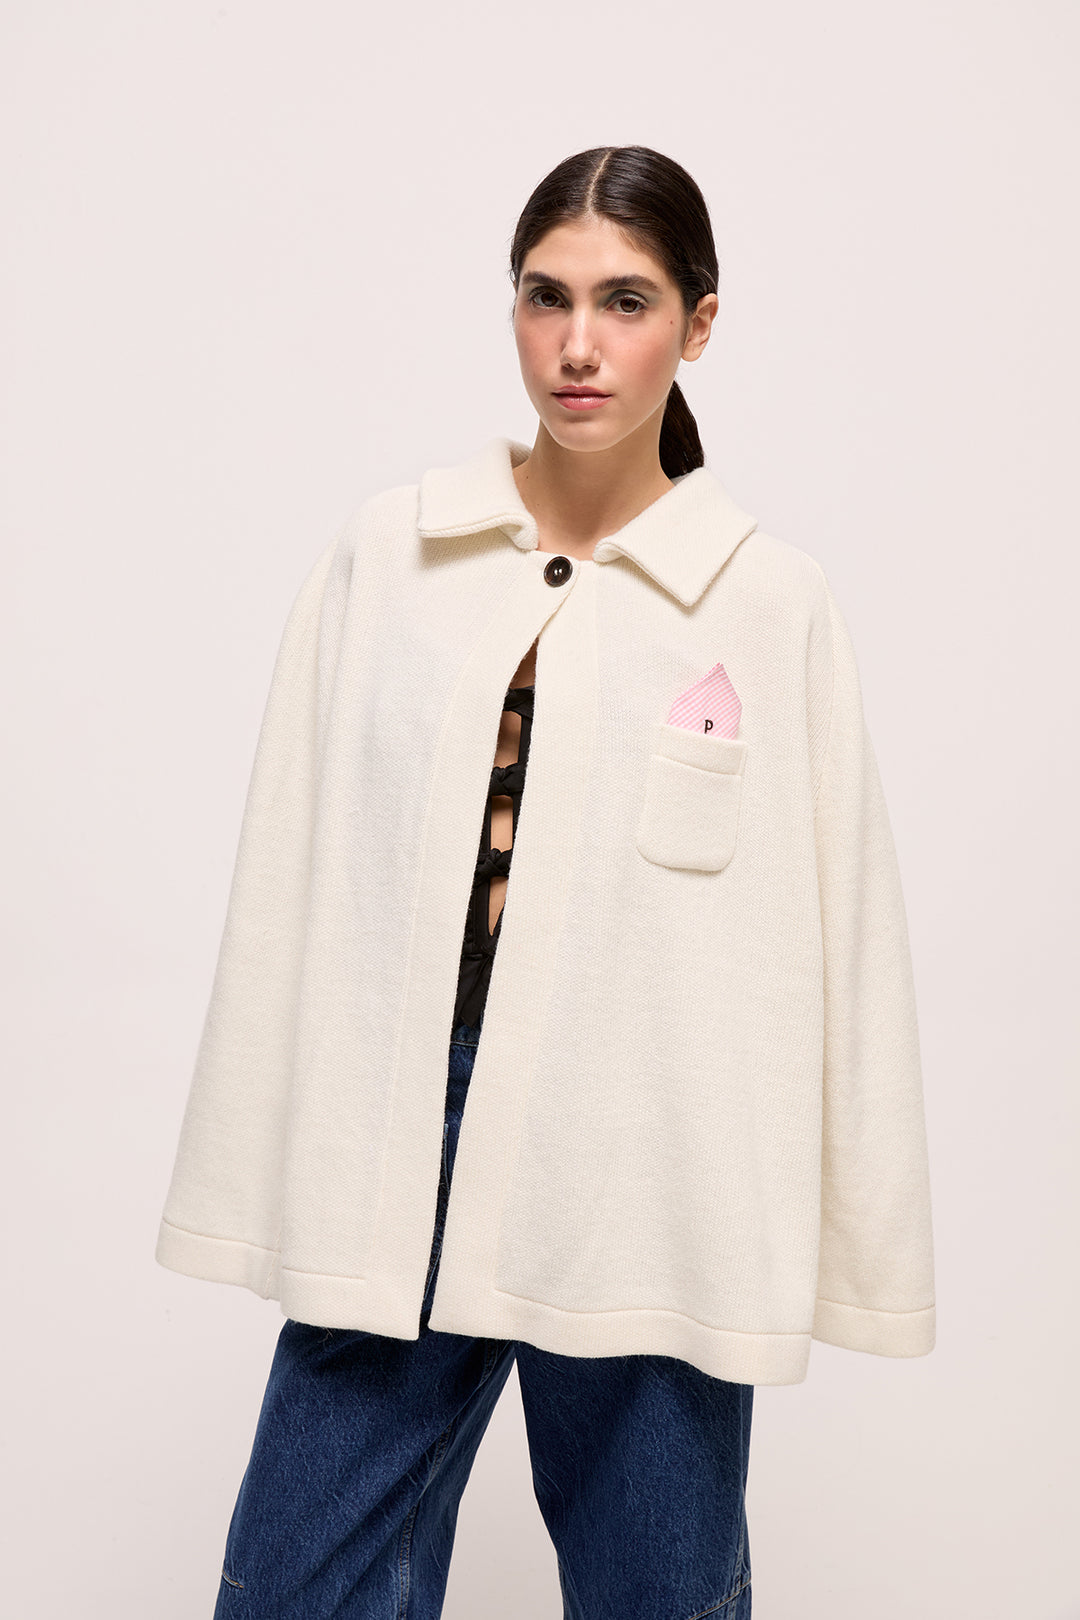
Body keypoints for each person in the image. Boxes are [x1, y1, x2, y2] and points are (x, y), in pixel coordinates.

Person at [156, 144, 936, 1618]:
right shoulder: (392, 556)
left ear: (699, 324)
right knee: (296, 1583)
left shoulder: (771, 603)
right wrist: (274, 1152)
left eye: (626, 301)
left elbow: (844, 941)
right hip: (405, 1140)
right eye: (546, 296)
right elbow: (293, 872)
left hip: (651, 1159)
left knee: (660, 1591)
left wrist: (856, 1246)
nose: (579, 343)